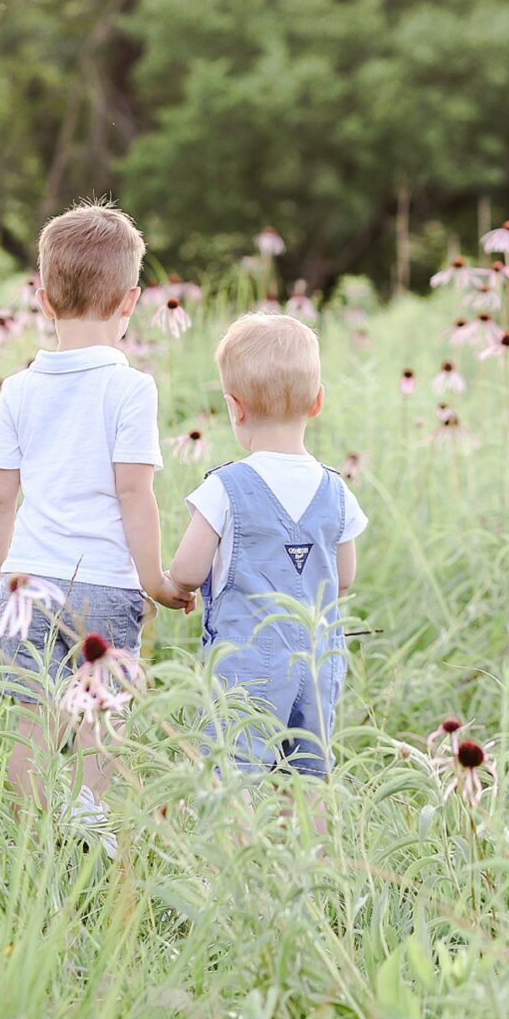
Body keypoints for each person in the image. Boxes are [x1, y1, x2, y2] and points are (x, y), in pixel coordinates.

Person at [0, 200, 192, 852]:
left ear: (43, 297)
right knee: (100, 713)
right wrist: (153, 578)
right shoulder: (131, 389)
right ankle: (89, 825)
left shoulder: (18, 388)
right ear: (130, 302)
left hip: (27, 581)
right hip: (106, 584)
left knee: (30, 714)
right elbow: (135, 493)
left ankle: (27, 838)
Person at [167, 312, 366, 801]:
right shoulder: (336, 490)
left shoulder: (226, 488)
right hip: (320, 660)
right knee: (309, 776)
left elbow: (189, 571)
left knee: (231, 773)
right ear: (317, 402)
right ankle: (308, 862)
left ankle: (227, 869)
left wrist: (173, 586)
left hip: (246, 662)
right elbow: (345, 577)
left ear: (234, 409)